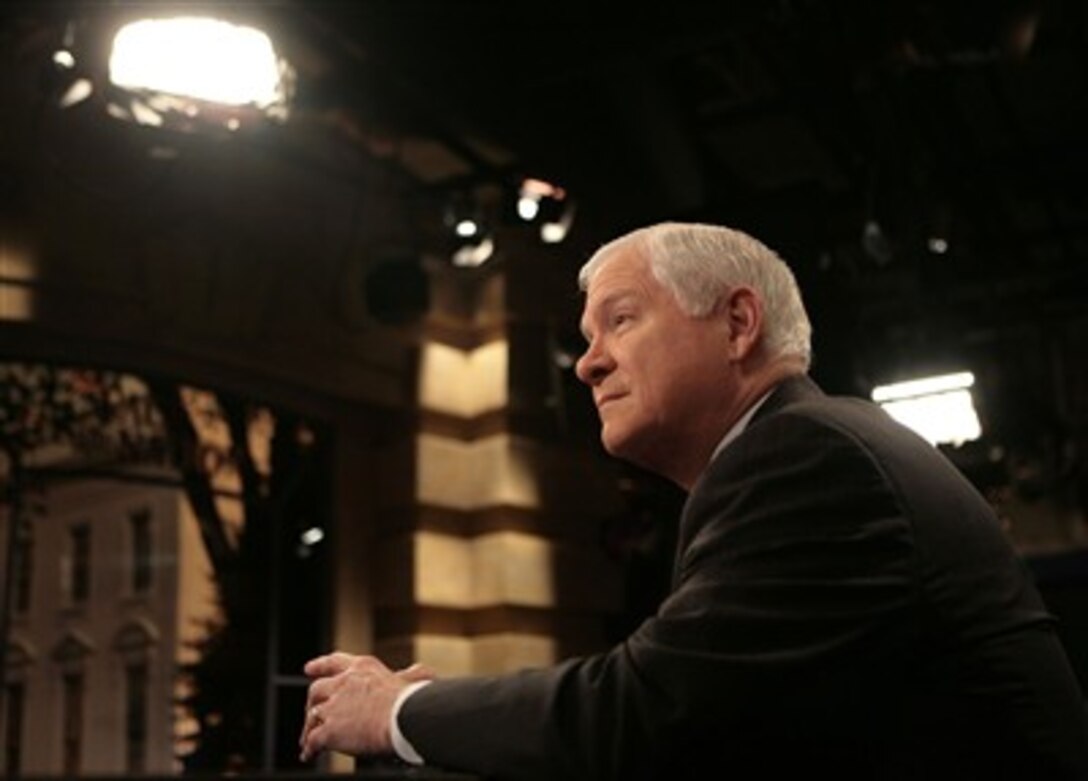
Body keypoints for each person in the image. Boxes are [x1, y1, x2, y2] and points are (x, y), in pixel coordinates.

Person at [299, 222, 1088, 780]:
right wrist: (459, 718)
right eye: (587, 336)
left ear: (737, 322)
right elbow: (707, 725)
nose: (586, 365)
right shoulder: (805, 448)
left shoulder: (806, 458)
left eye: (620, 320)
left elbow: (643, 716)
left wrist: (402, 708)